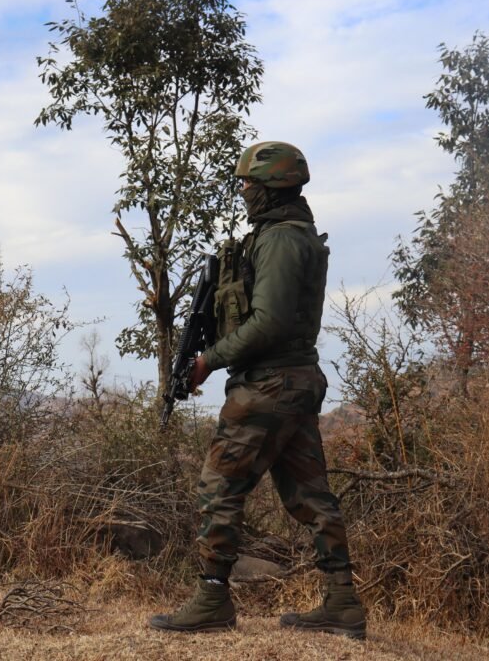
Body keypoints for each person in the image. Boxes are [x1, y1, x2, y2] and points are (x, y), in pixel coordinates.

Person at [148, 141, 366, 638]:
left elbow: (268, 322)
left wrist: (209, 360)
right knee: (311, 496)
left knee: (219, 485)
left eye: (248, 182)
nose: (243, 190)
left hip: (268, 384)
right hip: (295, 380)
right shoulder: (290, 234)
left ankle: (212, 599)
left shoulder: (280, 240)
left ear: (270, 187)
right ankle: (342, 604)